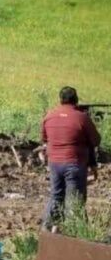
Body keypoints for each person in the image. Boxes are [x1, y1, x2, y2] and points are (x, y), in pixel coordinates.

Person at [41, 86, 101, 228]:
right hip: (74, 162)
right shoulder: (81, 117)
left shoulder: (49, 116)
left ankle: (47, 229)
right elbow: (96, 140)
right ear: (76, 99)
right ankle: (77, 232)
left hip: (54, 162)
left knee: (56, 195)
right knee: (74, 200)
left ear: (60, 100)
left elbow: (44, 138)